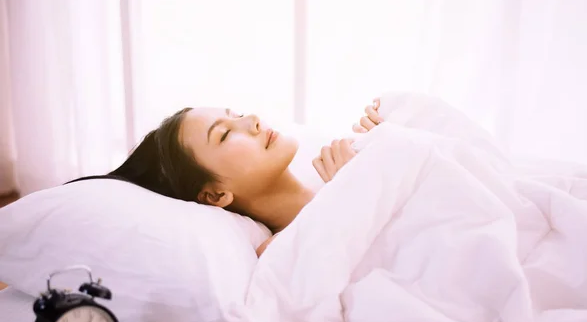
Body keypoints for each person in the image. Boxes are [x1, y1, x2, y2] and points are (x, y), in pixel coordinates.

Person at [73, 98, 383, 256]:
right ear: (215, 195)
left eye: (236, 115)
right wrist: (354, 194)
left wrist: (389, 141)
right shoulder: (280, 252)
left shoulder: (353, 160)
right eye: (224, 134)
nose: (252, 120)